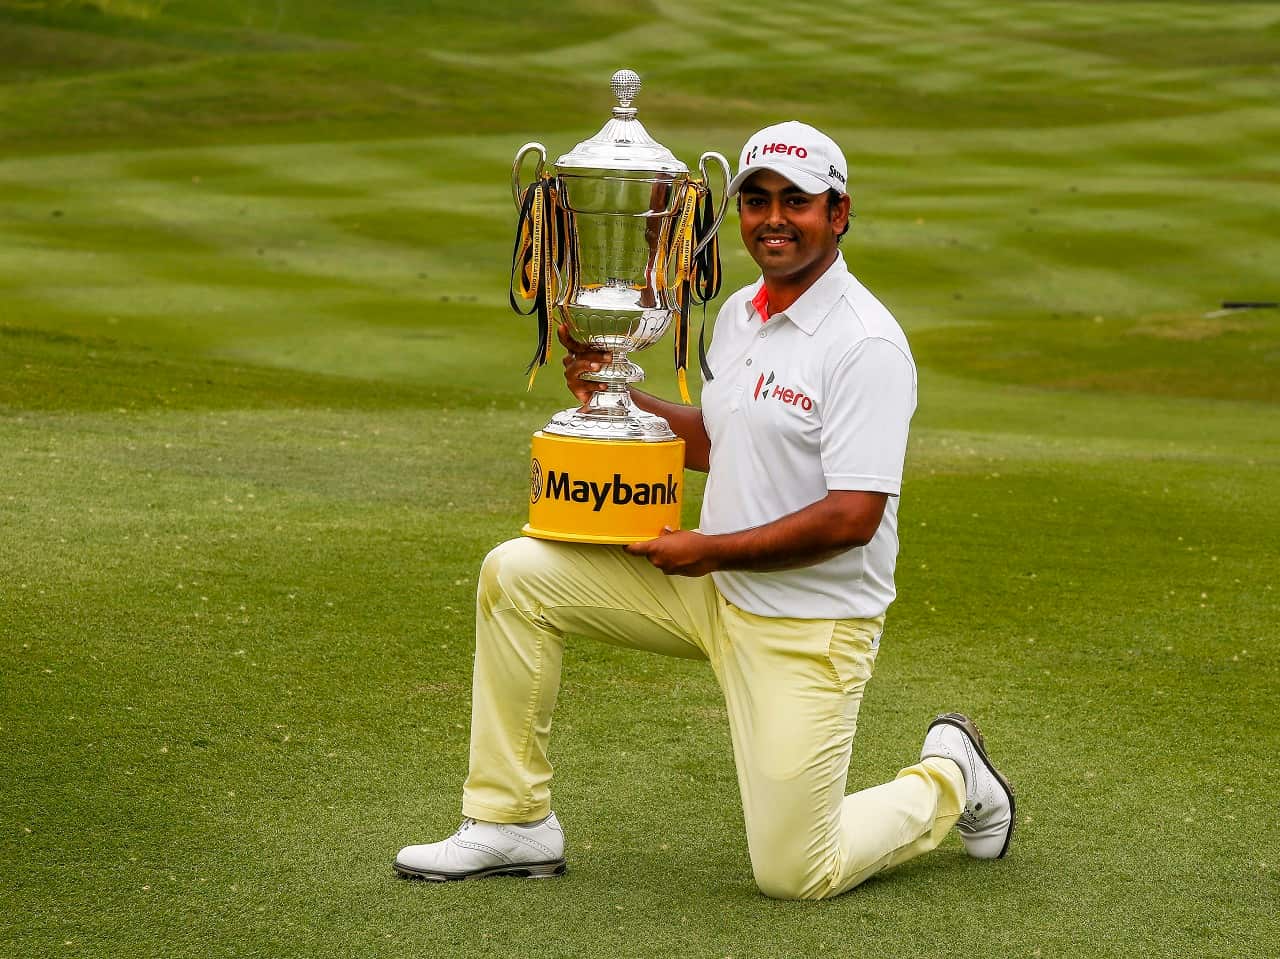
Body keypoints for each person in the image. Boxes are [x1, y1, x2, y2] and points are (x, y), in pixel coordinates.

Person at [393, 121, 1015, 898]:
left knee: (797, 872)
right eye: (756, 201)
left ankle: (952, 775)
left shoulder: (866, 344)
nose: (774, 218)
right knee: (516, 575)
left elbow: (852, 516)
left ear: (840, 213)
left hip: (806, 625)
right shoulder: (741, 313)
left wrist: (709, 549)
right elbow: (722, 439)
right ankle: (512, 818)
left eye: (798, 201)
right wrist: (615, 397)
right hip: (707, 589)